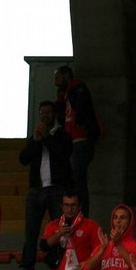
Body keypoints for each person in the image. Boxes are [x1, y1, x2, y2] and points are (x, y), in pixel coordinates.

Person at [14, 100, 73, 270]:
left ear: (54, 115)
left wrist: (46, 138)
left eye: (48, 112)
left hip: (57, 190)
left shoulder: (62, 135)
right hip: (36, 190)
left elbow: (63, 155)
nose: (45, 116)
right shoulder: (36, 137)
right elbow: (23, 159)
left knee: (61, 230)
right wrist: (35, 141)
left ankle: (61, 266)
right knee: (31, 231)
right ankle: (27, 267)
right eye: (42, 113)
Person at [54, 65, 100, 216]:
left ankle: (82, 215)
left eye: (57, 77)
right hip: (72, 141)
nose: (55, 81)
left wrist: (82, 123)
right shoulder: (66, 94)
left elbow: (82, 109)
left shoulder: (78, 89)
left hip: (81, 139)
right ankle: (76, 214)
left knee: (78, 180)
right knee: (74, 179)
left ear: (66, 75)